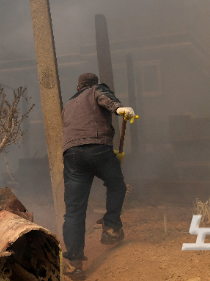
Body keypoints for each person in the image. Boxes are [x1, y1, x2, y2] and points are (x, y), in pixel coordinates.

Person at [62, 72, 136, 272]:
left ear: (78, 87)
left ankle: (73, 262)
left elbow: (76, 131)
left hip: (72, 156)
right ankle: (111, 227)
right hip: (98, 149)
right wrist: (120, 108)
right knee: (117, 185)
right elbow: (106, 99)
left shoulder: (68, 104)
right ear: (91, 85)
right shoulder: (96, 89)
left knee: (74, 210)